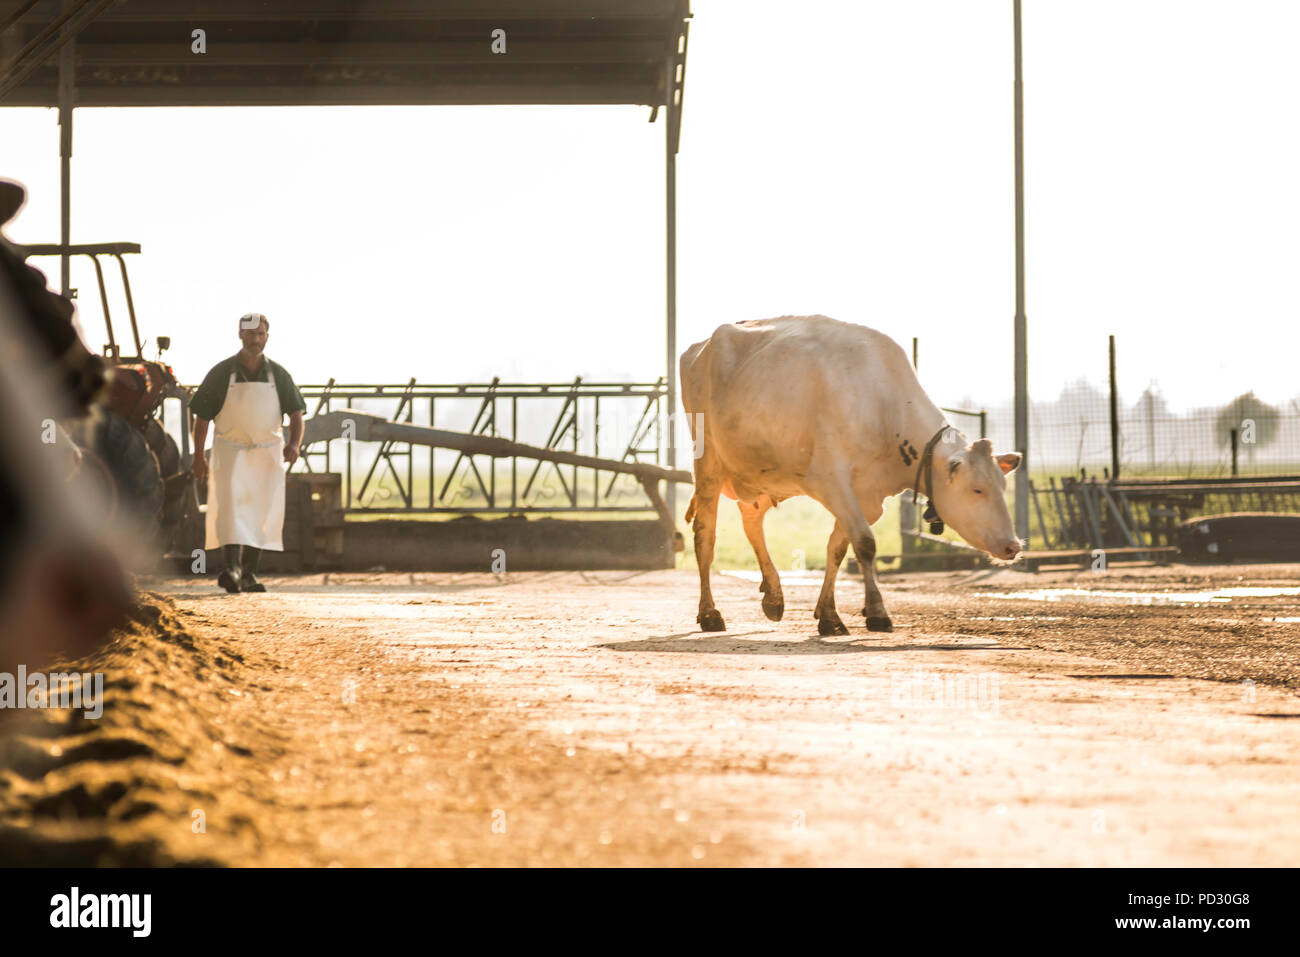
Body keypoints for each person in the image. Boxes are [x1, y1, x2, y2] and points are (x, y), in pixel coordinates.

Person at [190, 313, 306, 592]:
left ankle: (248, 574)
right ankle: (232, 568)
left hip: (267, 453)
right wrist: (198, 457)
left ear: (267, 336)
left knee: (260, 512)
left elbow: (296, 413)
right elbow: (202, 418)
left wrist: (294, 444)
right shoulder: (221, 373)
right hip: (230, 451)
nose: (256, 340)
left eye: (261, 334)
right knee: (230, 507)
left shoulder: (278, 374)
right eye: (251, 334)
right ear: (240, 336)